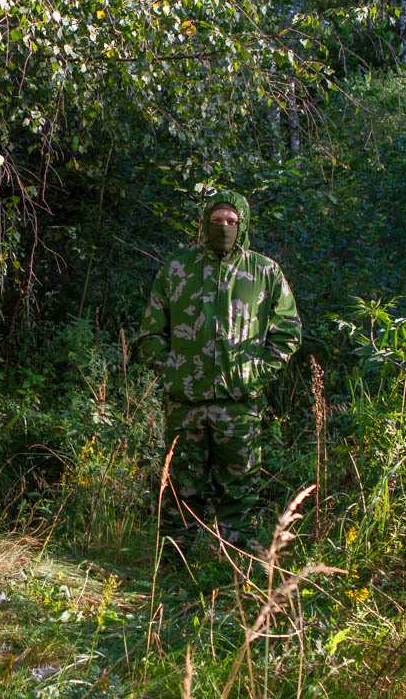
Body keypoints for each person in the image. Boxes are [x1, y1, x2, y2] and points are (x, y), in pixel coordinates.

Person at [139, 190, 302, 548]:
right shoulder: (177, 269)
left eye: (231, 222)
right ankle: (173, 565)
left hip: (238, 404)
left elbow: (288, 331)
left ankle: (232, 566)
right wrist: (173, 373)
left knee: (240, 489)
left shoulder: (264, 272)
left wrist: (256, 375)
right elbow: (150, 333)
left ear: (242, 225)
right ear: (204, 223)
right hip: (186, 402)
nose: (224, 227)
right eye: (217, 221)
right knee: (180, 486)